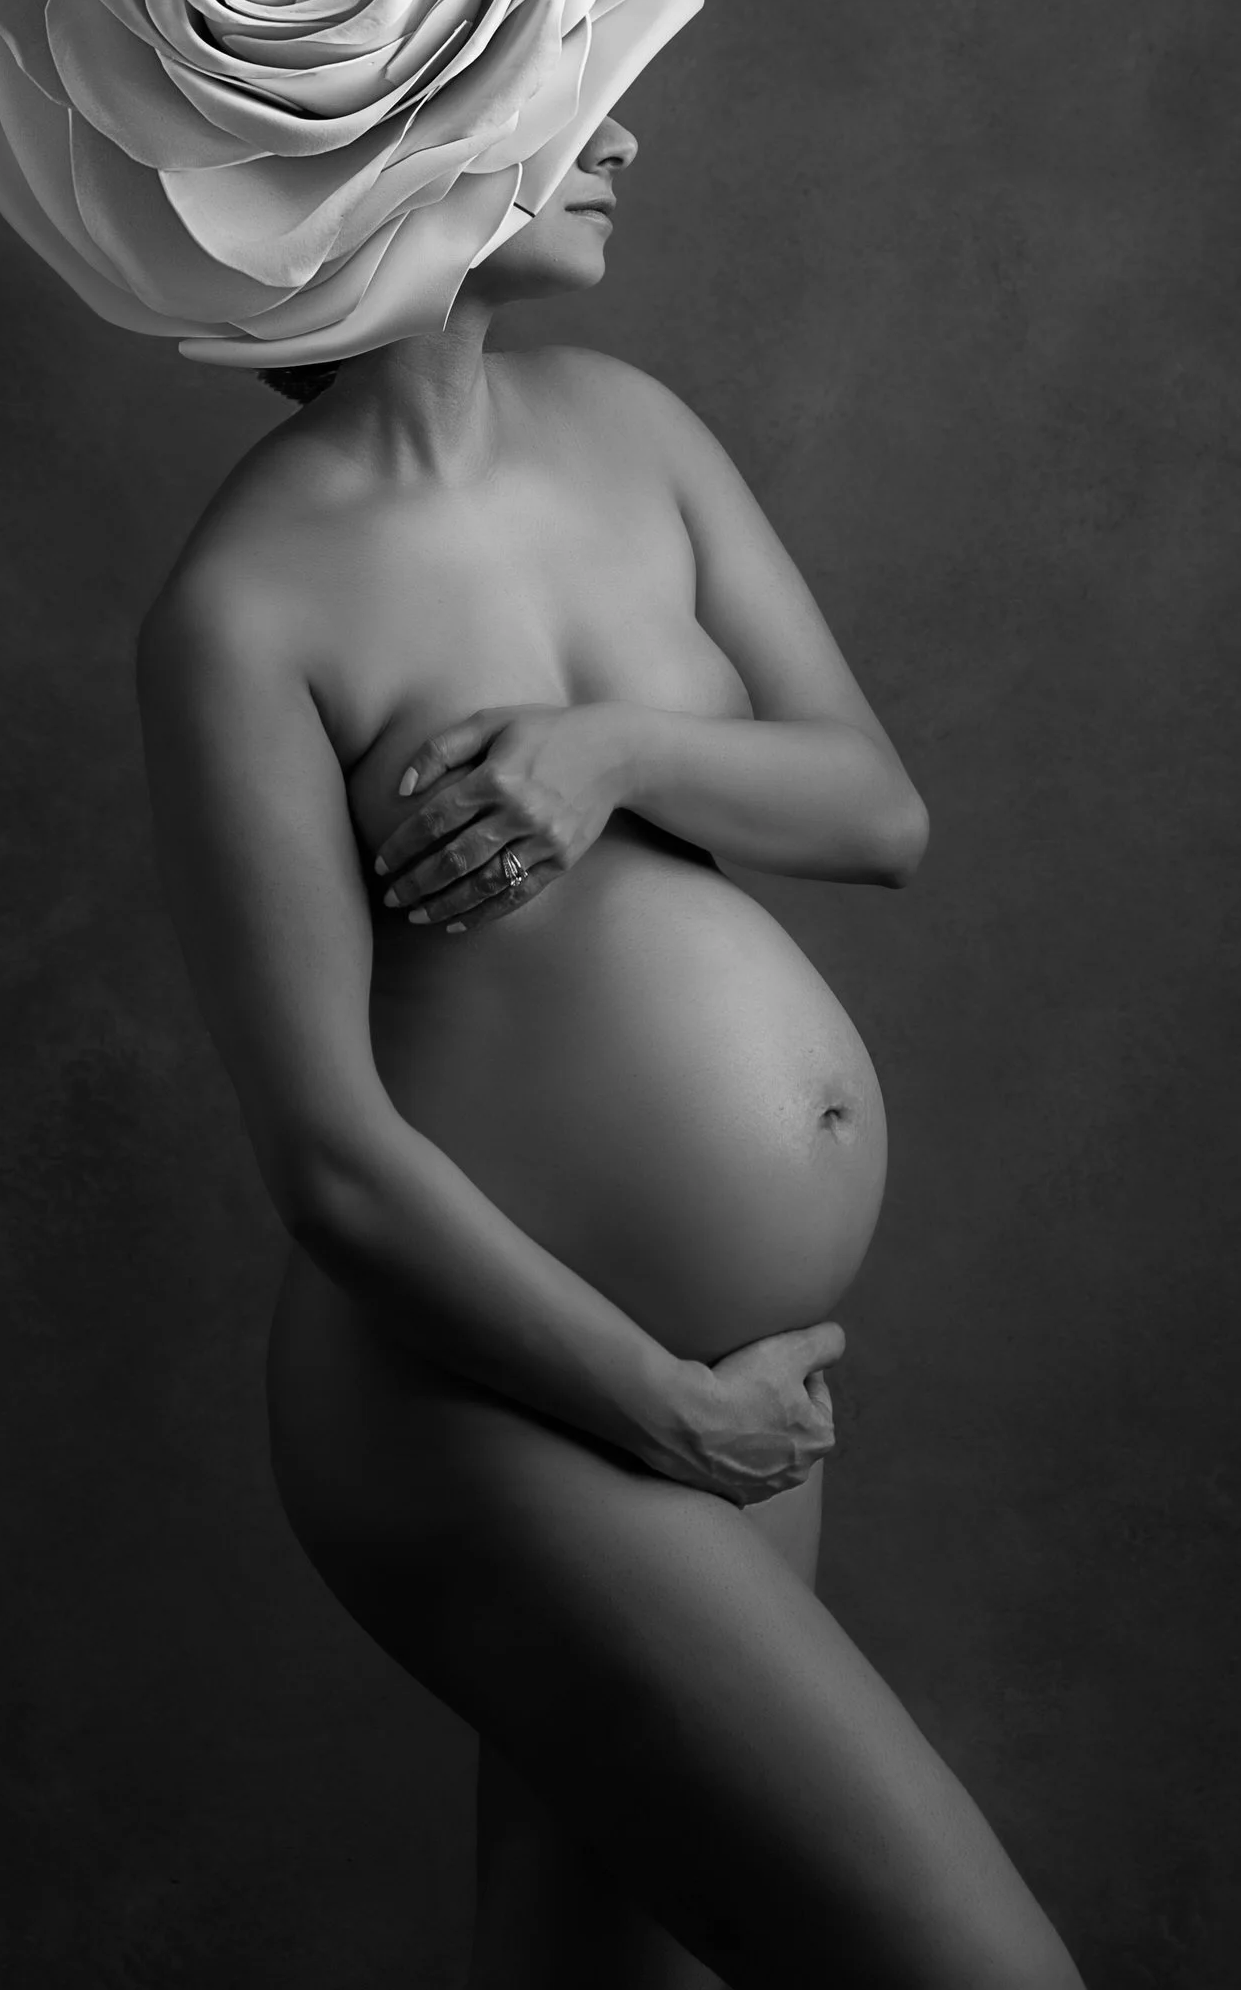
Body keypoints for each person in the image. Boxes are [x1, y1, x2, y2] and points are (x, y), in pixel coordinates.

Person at [135, 113, 1087, 1989]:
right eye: (554, 105)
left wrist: (613, 753)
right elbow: (328, 1157)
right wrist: (666, 1411)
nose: (622, 132)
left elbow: (874, 808)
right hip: (505, 1406)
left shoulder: (634, 433)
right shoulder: (242, 615)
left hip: (731, 1383)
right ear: (372, 171)